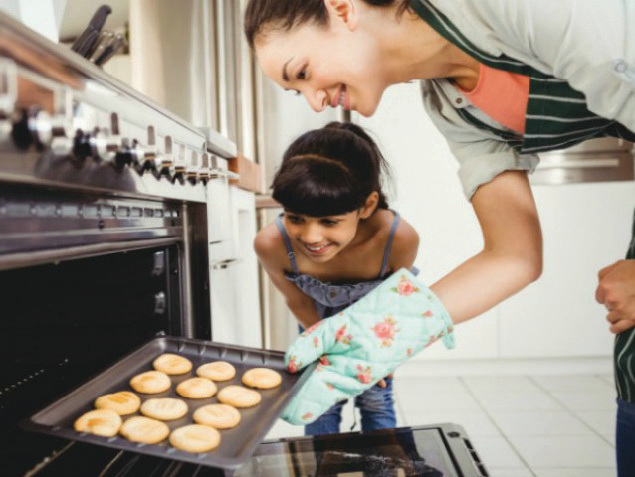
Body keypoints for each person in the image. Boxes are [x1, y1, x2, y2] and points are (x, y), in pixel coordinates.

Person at [244, 0, 635, 472]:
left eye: (302, 71)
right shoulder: (453, 108)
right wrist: (387, 331)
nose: (314, 101)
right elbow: (514, 256)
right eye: (294, 91)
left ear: (342, 8)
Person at [254, 121, 419, 435]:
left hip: (375, 333)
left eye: (330, 221)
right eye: (295, 218)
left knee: (376, 401)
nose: (311, 236)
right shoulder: (271, 244)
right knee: (317, 406)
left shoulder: (397, 239)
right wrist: (325, 352)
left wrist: (379, 356)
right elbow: (297, 301)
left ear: (367, 206)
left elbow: (396, 303)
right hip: (317, 328)